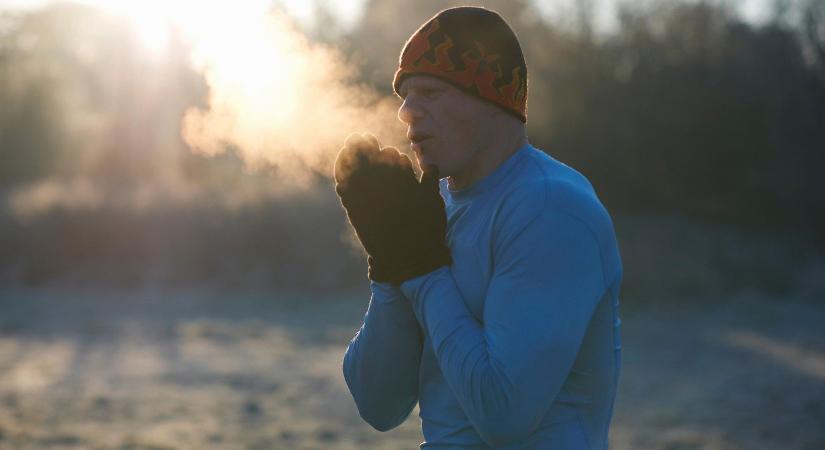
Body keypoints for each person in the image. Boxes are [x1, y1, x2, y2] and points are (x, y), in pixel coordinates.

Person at [334, 6, 623, 449]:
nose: (406, 113)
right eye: (405, 96)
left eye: (429, 92)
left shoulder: (549, 208)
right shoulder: (435, 209)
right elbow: (379, 406)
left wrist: (423, 270)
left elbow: (504, 413)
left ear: (489, 98)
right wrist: (389, 264)